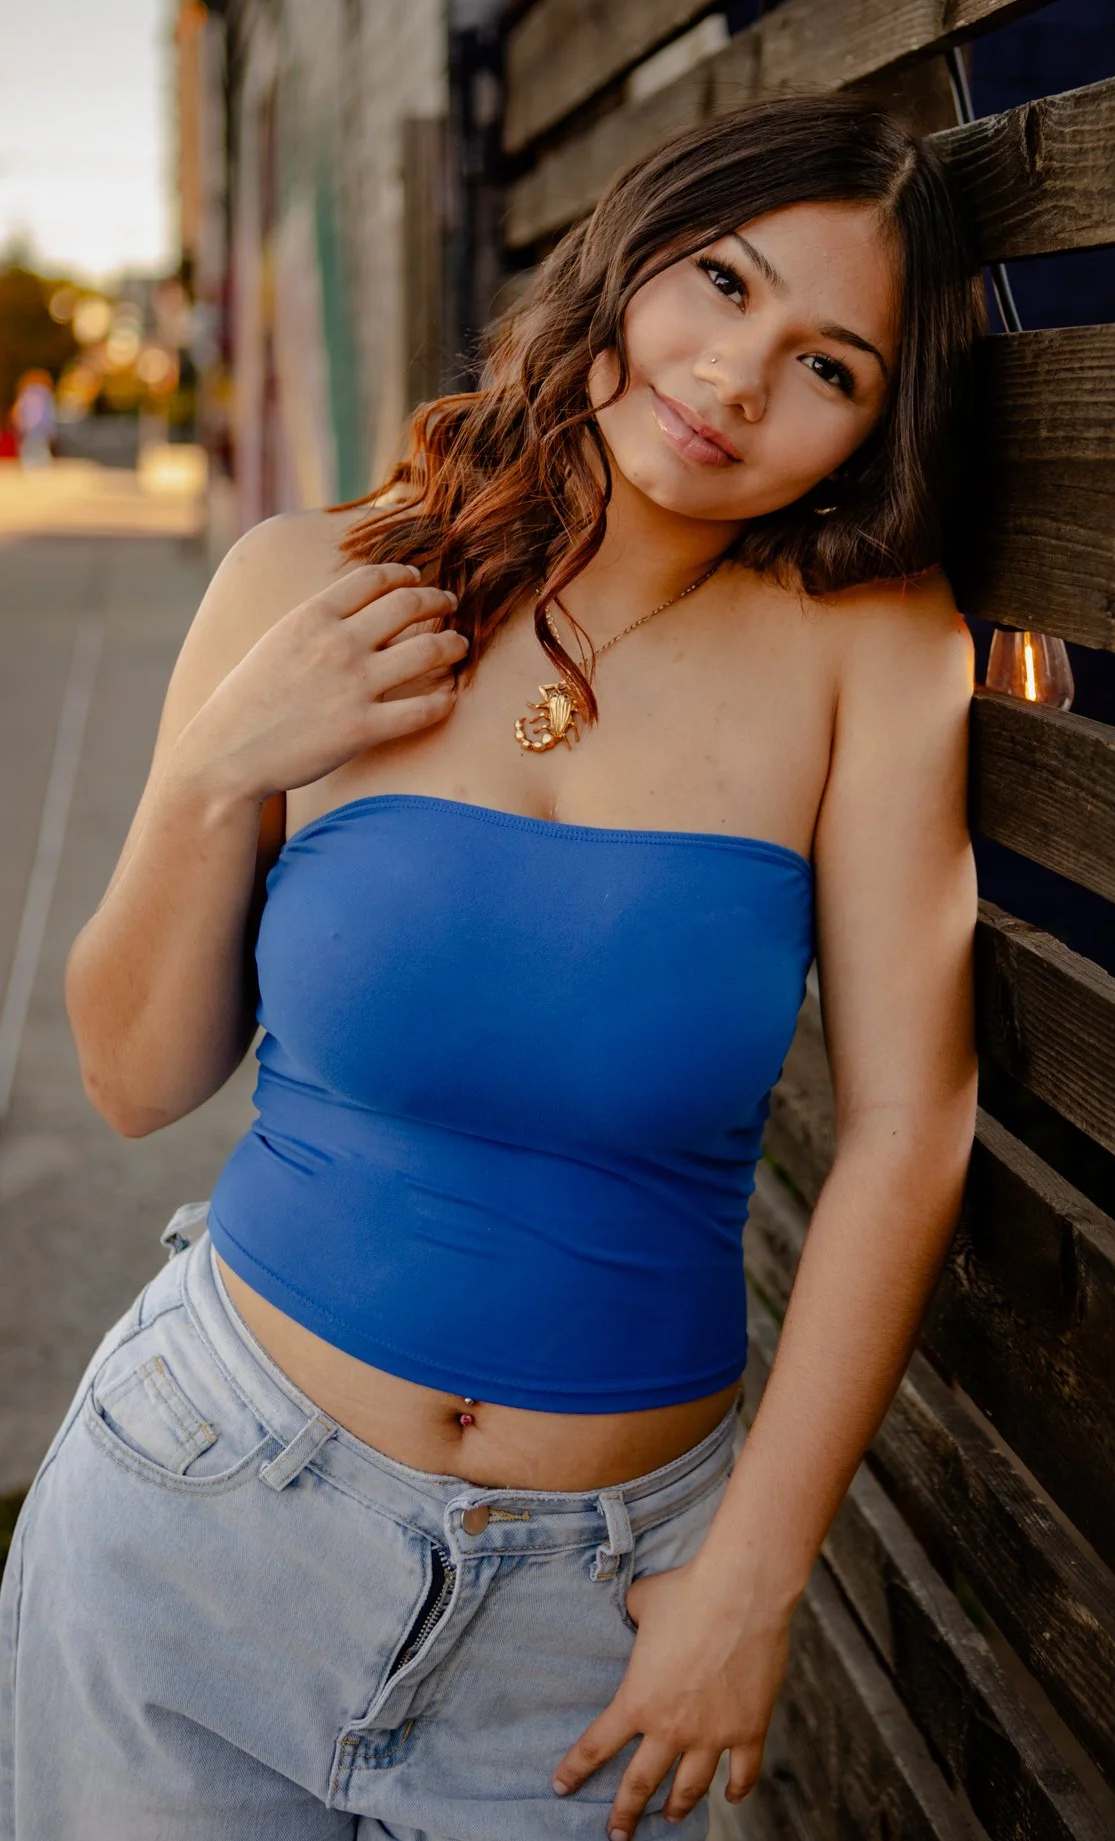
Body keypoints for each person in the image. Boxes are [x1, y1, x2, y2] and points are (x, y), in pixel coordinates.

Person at [0, 95, 982, 1840]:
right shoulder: (314, 580)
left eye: (831, 366)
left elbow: (914, 1124)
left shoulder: (875, 656)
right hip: (201, 1526)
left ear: (871, 430)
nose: (742, 377)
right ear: (624, 260)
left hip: (596, 1637)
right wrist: (223, 763)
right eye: (721, 282)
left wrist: (755, 1579)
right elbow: (135, 1077)